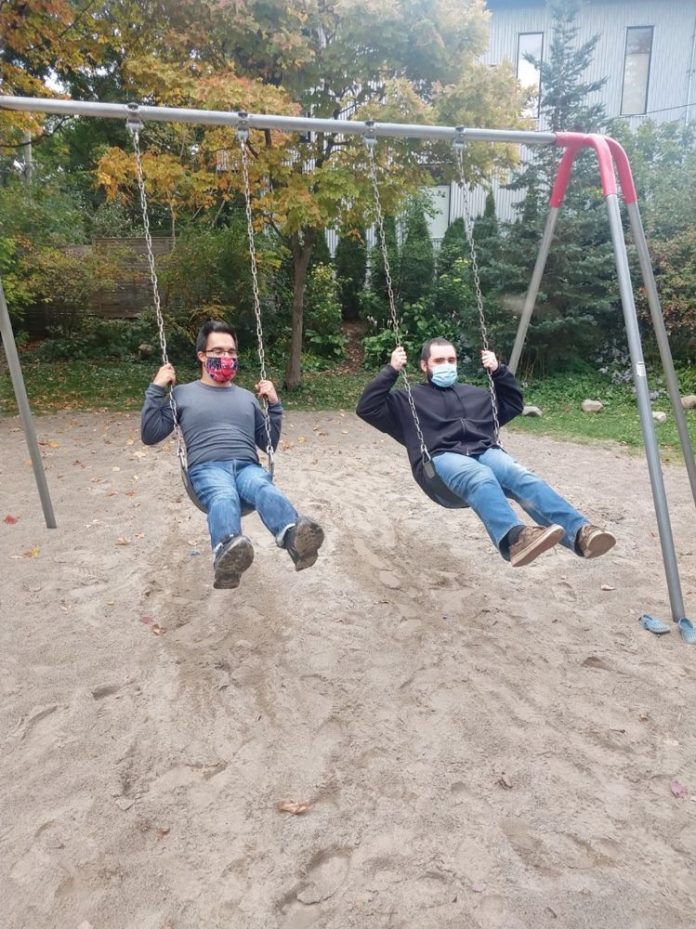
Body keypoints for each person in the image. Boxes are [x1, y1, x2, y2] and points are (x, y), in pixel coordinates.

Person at [356, 338, 616, 567]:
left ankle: (580, 534)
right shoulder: (408, 399)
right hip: (440, 462)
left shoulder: (476, 395)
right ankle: (515, 539)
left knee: (522, 476)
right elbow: (367, 408)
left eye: (451, 359)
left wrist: (498, 371)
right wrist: (391, 370)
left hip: (484, 450)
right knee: (480, 476)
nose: (447, 364)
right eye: (439, 360)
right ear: (425, 366)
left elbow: (513, 404)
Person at [141, 320, 324, 589]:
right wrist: (156, 388)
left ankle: (294, 537)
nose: (226, 357)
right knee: (223, 494)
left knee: (263, 485)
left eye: (231, 352)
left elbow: (268, 443)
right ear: (202, 356)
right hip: (207, 468)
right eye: (217, 352)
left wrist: (274, 406)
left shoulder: (247, 397)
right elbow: (150, 433)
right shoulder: (181, 394)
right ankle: (228, 554)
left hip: (247, 466)